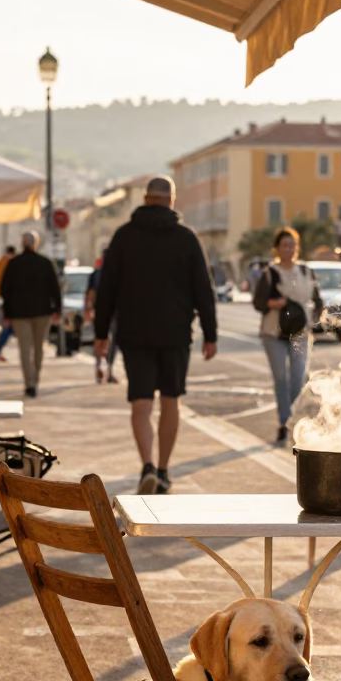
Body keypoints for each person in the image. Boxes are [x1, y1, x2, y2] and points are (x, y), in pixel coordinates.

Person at [93, 175, 217, 495]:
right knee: (171, 399)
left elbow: (106, 289)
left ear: (146, 199)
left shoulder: (124, 237)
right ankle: (163, 470)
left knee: (141, 402)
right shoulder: (186, 238)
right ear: (171, 200)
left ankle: (147, 464)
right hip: (175, 332)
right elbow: (203, 289)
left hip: (134, 332)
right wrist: (210, 333)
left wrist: (101, 333)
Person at [253, 227, 322, 442]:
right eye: (285, 245)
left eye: (293, 245)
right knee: (281, 379)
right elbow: (258, 302)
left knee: (298, 379)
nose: (289, 249)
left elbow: (317, 300)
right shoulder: (270, 273)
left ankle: (295, 420)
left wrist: (319, 319)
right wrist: (274, 303)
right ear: (277, 249)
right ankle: (284, 422)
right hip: (274, 332)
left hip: (300, 331)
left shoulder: (305, 271)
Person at [0, 230, 61, 397]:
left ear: (22, 243)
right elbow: (55, 288)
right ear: (36, 244)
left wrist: (7, 313)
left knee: (25, 349)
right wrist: (57, 310)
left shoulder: (13, 264)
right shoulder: (45, 263)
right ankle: (36, 379)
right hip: (42, 312)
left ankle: (29, 382)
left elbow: (5, 290)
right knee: (39, 347)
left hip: (20, 313)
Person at [85, 249, 117, 383]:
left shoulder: (96, 273)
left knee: (100, 339)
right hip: (115, 311)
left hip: (100, 311)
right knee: (113, 342)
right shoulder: (117, 272)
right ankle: (109, 370)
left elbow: (91, 293)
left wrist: (88, 308)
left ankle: (100, 366)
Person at [0, 245, 16, 360]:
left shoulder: (0, 262)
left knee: (4, 325)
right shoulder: (8, 264)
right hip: (4, 299)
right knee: (7, 326)